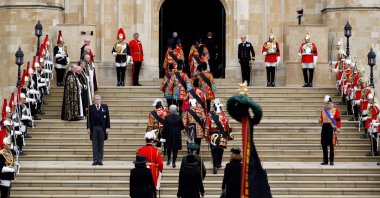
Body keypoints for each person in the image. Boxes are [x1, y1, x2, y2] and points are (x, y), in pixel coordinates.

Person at [205, 99, 232, 174]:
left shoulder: (210, 116)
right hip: (222, 135)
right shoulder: (224, 116)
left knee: (214, 150)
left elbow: (207, 126)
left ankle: (215, 164)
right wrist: (228, 137)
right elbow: (228, 126)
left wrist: (206, 136)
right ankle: (219, 164)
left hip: (213, 135)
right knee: (220, 150)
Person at [87, 95, 110, 166]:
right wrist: (88, 128)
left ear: (101, 100)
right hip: (94, 128)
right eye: (96, 99)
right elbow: (88, 119)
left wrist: (108, 127)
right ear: (93, 100)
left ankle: (100, 160)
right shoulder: (91, 107)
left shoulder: (105, 107)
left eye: (98, 99)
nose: (97, 101)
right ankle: (95, 160)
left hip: (102, 128)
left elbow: (108, 118)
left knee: (101, 144)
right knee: (95, 145)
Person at [319, 95, 341, 166]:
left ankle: (331, 160)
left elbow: (338, 121)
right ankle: (325, 160)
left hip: (331, 128)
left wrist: (337, 130)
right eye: (325, 103)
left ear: (331, 103)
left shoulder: (335, 110)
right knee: (324, 144)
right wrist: (319, 120)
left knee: (332, 145)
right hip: (324, 128)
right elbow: (321, 120)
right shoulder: (323, 110)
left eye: (327, 103)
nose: (326, 105)